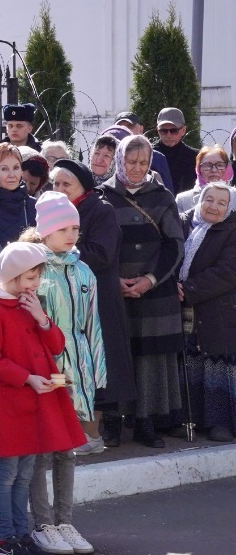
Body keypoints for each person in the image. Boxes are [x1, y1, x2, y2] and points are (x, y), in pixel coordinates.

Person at [0, 242, 87, 555]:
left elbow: (55, 345)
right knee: (6, 472)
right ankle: (5, 539)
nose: (35, 286)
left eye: (37, 279)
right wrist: (27, 377)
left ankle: (22, 535)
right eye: (29, 279)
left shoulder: (29, 306)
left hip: (34, 401)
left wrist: (41, 318)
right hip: (9, 404)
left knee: (24, 473)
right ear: (11, 277)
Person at [26, 192, 106, 555]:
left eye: (75, 227)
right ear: (45, 231)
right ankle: (42, 523)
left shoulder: (84, 270)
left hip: (76, 371)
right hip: (47, 371)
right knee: (43, 448)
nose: (71, 234)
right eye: (62, 228)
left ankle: (65, 521)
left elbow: (93, 327)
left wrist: (94, 374)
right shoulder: (35, 271)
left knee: (67, 450)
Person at [102, 134, 186, 448]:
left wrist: (150, 279)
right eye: (130, 161)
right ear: (119, 160)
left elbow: (174, 244)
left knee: (149, 359)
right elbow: (96, 244)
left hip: (155, 292)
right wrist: (113, 281)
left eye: (143, 162)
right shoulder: (103, 195)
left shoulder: (163, 197)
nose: (136, 168)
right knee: (116, 354)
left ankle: (145, 421)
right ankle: (112, 422)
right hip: (115, 292)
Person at [50, 159, 136, 448]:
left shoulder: (100, 211)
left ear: (82, 187)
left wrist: (57, 250)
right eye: (55, 184)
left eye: (66, 184)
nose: (60, 189)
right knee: (70, 364)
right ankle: (72, 431)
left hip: (97, 302)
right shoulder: (52, 212)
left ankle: (92, 434)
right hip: (67, 303)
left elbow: (101, 254)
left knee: (95, 364)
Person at [182, 183, 236, 442]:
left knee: (217, 366)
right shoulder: (184, 224)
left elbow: (229, 271)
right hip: (185, 310)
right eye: (209, 200)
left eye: (221, 202)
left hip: (219, 310)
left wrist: (189, 288)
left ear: (229, 207)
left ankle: (220, 423)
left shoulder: (232, 229)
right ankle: (194, 419)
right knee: (191, 362)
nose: (214, 206)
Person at [154, 108, 198, 194]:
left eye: (173, 130)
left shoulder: (195, 157)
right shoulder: (148, 155)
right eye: (163, 131)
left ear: (183, 130)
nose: (168, 135)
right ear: (158, 130)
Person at [178, 145, 232, 214]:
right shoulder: (183, 200)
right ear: (198, 169)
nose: (214, 170)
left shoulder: (234, 196)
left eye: (220, 165)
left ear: (227, 169)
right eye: (207, 165)